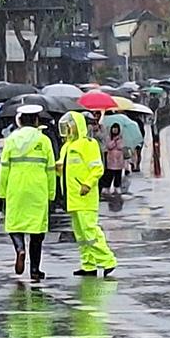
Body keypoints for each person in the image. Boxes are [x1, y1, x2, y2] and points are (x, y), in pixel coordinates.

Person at [0, 105, 57, 282]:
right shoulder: (43, 141)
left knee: (15, 224)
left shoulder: (12, 140)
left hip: (16, 187)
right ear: (37, 120)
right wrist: (52, 193)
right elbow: (50, 168)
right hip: (38, 189)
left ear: (20, 121)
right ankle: (35, 270)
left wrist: (1, 192)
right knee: (37, 231)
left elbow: (4, 167)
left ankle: (20, 249)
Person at [57, 111, 117, 278]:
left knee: (90, 230)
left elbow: (97, 168)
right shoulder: (66, 147)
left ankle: (107, 260)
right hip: (72, 198)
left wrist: (87, 184)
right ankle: (88, 264)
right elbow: (66, 170)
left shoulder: (88, 144)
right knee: (81, 235)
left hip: (85, 197)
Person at [103, 124, 125, 198]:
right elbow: (109, 146)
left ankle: (117, 187)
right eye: (113, 128)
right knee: (109, 174)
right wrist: (114, 141)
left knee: (118, 174)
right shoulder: (109, 137)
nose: (115, 130)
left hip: (119, 160)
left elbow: (120, 147)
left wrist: (118, 141)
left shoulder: (121, 138)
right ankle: (107, 187)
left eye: (116, 128)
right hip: (111, 159)